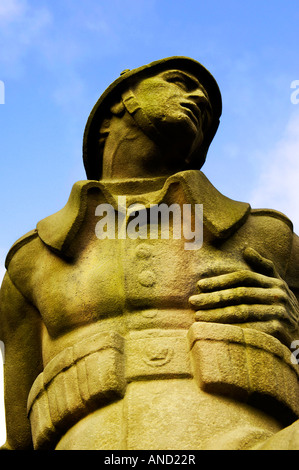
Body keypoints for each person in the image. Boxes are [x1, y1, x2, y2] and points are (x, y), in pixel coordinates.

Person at [1, 57, 299, 450]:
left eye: (207, 106)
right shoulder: (33, 261)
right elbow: (19, 439)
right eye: (180, 82)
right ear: (116, 106)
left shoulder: (268, 236)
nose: (198, 98)